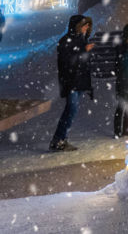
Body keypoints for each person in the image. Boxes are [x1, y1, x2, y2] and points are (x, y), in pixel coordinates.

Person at [50, 14, 94, 152]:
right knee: (70, 111)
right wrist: (83, 51)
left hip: (78, 81)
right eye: (84, 25)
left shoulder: (81, 40)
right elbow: (67, 62)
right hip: (71, 82)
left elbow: (82, 63)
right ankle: (58, 140)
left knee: (71, 111)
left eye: (88, 25)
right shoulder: (66, 41)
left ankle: (60, 139)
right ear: (77, 26)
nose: (87, 28)